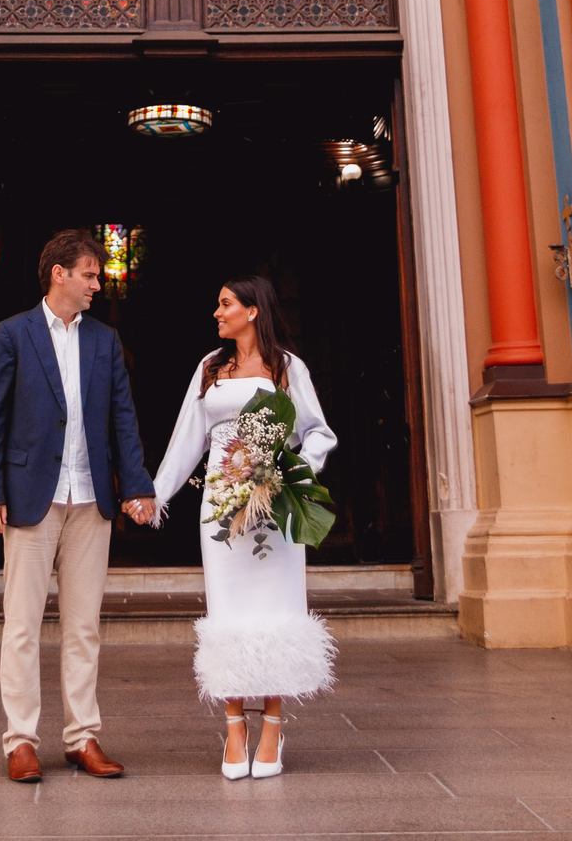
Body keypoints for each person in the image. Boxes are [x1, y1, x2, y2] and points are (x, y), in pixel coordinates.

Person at [0, 229, 157, 784]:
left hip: (90, 497)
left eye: (97, 276)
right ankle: (21, 740)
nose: (98, 284)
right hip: (32, 496)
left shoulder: (104, 340)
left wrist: (137, 485)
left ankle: (81, 738)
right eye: (90, 275)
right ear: (59, 274)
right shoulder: (11, 334)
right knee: (22, 625)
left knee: (84, 626)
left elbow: (123, 417)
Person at [149, 275, 336, 779]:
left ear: (253, 311)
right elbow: (187, 437)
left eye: (225, 304)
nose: (217, 312)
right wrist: (156, 494)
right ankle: (234, 726)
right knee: (228, 611)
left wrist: (289, 473)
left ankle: (273, 724)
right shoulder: (210, 367)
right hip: (220, 499)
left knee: (275, 610)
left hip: (274, 502)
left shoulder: (286, 367)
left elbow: (317, 431)